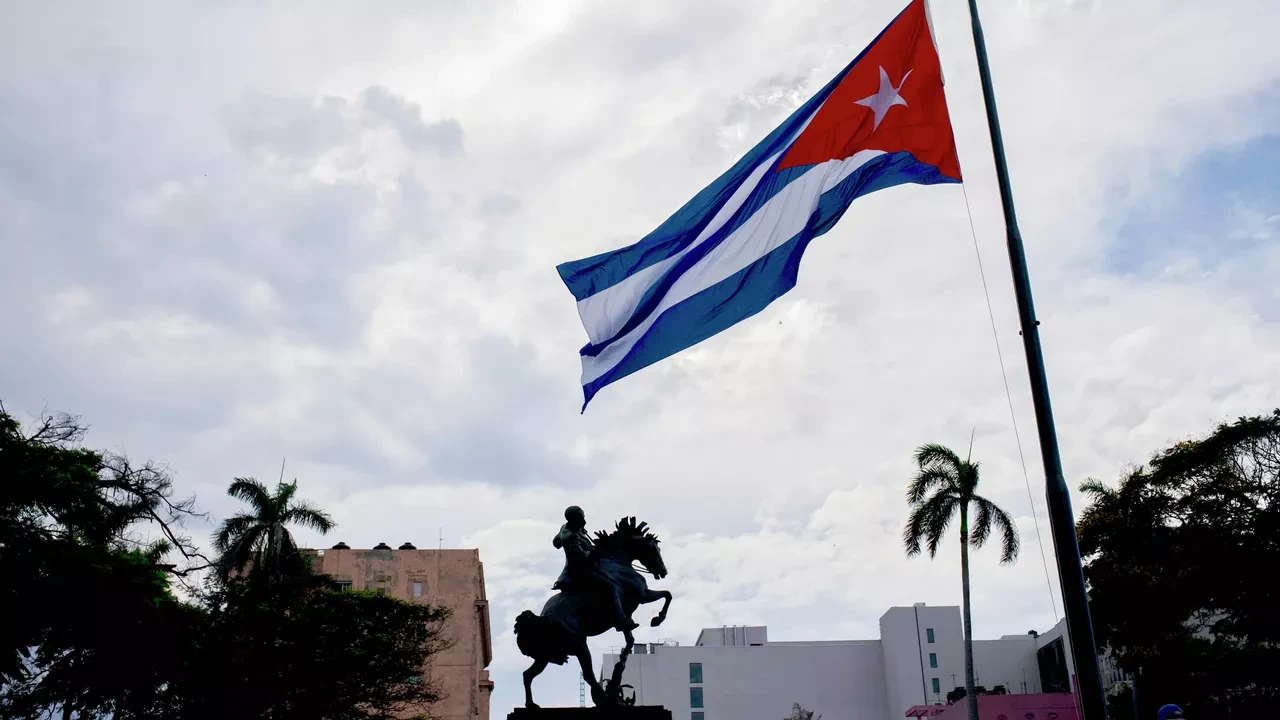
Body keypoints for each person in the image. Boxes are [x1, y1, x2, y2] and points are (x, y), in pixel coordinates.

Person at [553, 506, 638, 632]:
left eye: (583, 518)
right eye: (581, 520)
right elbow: (583, 560)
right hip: (579, 572)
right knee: (611, 587)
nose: (584, 522)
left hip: (587, 567)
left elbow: (556, 543)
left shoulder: (568, 528)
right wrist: (597, 548)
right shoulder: (571, 536)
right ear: (573, 520)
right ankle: (620, 621)